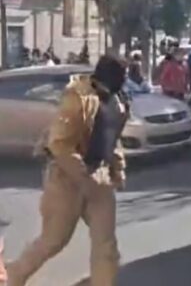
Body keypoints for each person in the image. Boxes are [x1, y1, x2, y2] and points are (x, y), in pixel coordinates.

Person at [7, 54, 130, 286]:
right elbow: (59, 144)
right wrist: (83, 178)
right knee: (53, 240)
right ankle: (13, 275)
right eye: (122, 75)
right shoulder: (78, 97)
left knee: (106, 245)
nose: (125, 80)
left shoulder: (118, 101)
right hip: (66, 178)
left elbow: (111, 138)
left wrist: (117, 168)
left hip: (99, 178)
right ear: (110, 75)